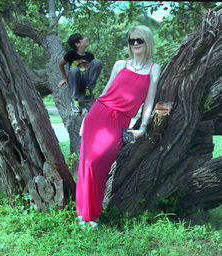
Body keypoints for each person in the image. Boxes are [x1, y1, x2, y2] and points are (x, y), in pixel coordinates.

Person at [75, 25, 161, 229]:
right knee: (86, 163)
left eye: (139, 40)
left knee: (98, 164)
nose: (136, 44)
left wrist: (143, 127)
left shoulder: (153, 68)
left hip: (119, 121)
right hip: (98, 115)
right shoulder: (119, 64)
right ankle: (83, 214)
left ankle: (92, 214)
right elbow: (105, 93)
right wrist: (86, 119)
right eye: (132, 41)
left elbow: (149, 102)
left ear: (147, 42)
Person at [58, 33, 102, 113]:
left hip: (86, 82)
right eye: (82, 38)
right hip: (75, 82)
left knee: (97, 62)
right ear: (77, 44)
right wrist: (65, 78)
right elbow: (61, 63)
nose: (85, 38)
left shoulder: (90, 55)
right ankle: (75, 99)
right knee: (74, 69)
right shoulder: (71, 54)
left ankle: (88, 90)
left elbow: (93, 71)